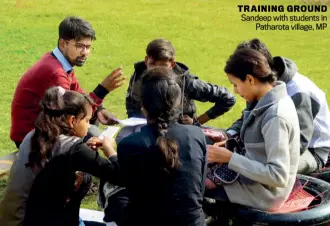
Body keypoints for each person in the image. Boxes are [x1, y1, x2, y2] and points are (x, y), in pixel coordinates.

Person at [0, 87, 120, 226]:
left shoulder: (35, 134)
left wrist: (84, 151)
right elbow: (119, 176)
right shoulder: (73, 149)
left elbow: (54, 164)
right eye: (87, 120)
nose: (88, 127)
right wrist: (110, 149)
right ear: (72, 121)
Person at [105, 67, 207, 226]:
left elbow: (129, 187)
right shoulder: (196, 135)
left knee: (112, 191)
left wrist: (111, 153)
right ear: (178, 103)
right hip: (192, 222)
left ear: (143, 106)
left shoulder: (129, 144)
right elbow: (198, 189)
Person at [215, 38, 330, 175]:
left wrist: (243, 155)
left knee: (249, 168)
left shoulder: (299, 92)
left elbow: (298, 143)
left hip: (312, 151)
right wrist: (229, 134)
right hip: (276, 143)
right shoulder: (258, 86)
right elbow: (248, 116)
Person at [206, 49, 300, 212]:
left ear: (250, 79)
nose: (235, 91)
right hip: (252, 178)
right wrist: (227, 142)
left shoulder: (275, 117)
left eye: (236, 85)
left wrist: (230, 158)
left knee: (189, 183)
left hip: (264, 194)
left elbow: (278, 176)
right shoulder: (266, 100)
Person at [11, 16, 125, 148]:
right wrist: (102, 90)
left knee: (92, 127)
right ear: (63, 44)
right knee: (91, 134)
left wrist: (100, 109)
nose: (85, 52)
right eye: (80, 46)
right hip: (31, 138)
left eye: (88, 47)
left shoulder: (59, 62)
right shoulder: (56, 72)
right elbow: (72, 117)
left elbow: (79, 95)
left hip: (42, 130)